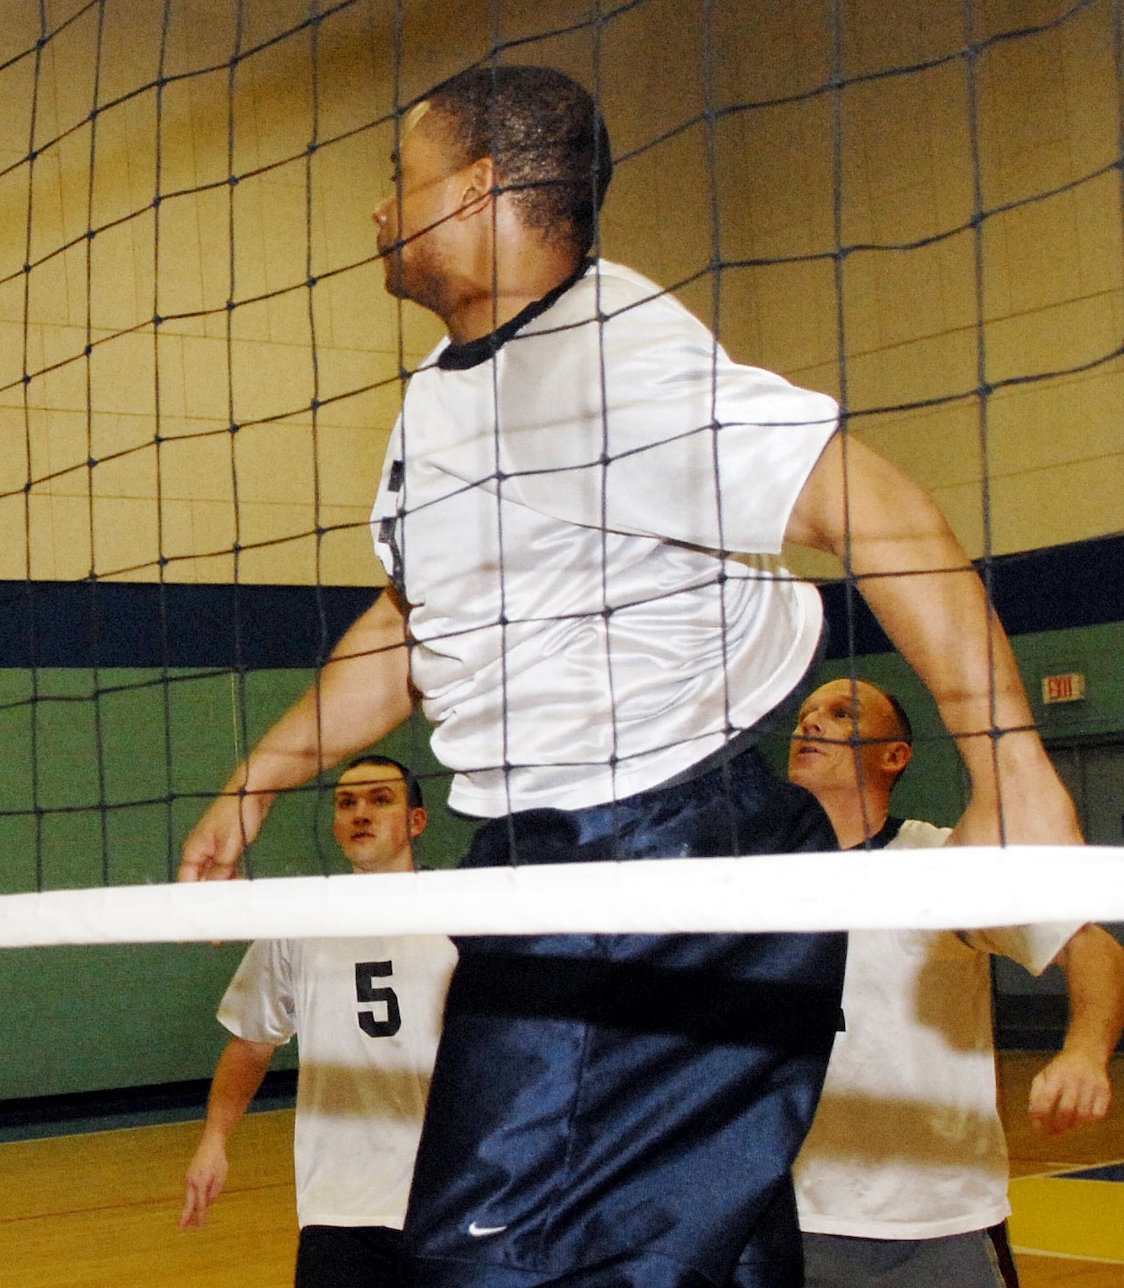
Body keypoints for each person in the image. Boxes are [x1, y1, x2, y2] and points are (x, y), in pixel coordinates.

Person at [177, 63, 1084, 1288]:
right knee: (693, 1257)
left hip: (654, 862)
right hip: (559, 866)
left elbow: (872, 504)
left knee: (490, 1264)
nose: (379, 212)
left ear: (476, 188)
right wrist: (256, 780)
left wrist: (1009, 769)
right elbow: (410, 630)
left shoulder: (609, 361)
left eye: (399, 178)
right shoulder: (443, 404)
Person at [787, 677, 1124, 1288]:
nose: (810, 723)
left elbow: (1091, 946)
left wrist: (1084, 1052)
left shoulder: (939, 862)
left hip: (937, 1218)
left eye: (841, 714)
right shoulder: (751, 881)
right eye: (806, 714)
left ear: (895, 756)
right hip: (783, 1214)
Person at [179, 756, 458, 1287]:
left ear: (416, 821)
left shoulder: (462, 919)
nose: (360, 813)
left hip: (445, 1195)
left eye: (381, 799)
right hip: (338, 1203)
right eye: (346, 802)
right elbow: (251, 1045)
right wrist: (214, 1141)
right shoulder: (298, 921)